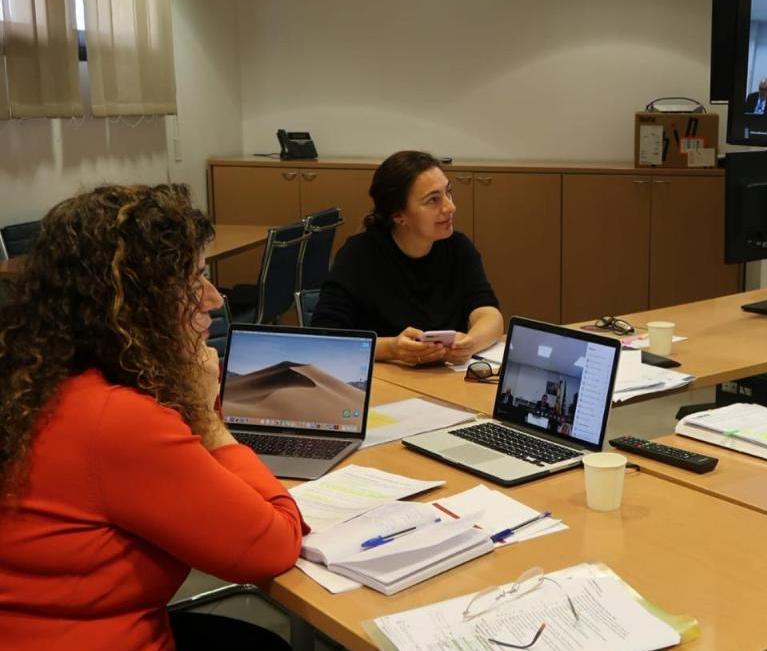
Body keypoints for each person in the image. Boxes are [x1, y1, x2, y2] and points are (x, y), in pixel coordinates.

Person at [0, 185, 305, 650]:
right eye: (195, 280)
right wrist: (206, 418)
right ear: (137, 303)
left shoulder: (31, 378)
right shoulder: (115, 419)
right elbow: (273, 544)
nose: (213, 299)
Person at [312, 150, 503, 366]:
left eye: (448, 193)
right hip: (385, 382)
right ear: (399, 216)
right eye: (433, 200)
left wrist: (470, 342)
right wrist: (391, 348)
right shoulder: (359, 255)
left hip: (448, 380)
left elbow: (489, 313)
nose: (450, 207)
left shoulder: (458, 247)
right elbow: (326, 336)